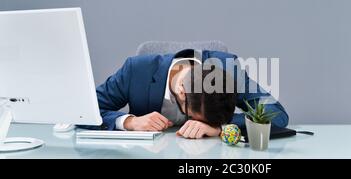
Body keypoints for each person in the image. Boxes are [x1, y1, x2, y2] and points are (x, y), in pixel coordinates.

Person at [80, 49, 288, 139]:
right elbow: (84, 110)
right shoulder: (137, 71)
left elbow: (277, 114)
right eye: (196, 115)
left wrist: (221, 128)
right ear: (181, 91)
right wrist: (129, 122)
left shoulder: (227, 69)